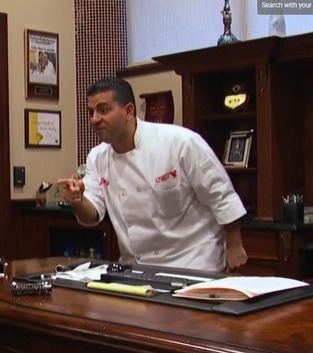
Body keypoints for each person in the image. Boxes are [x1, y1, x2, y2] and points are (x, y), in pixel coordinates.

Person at [57, 77, 248, 272]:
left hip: (193, 263)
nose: (95, 119)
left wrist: (235, 246)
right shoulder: (97, 157)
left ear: (129, 111)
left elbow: (221, 195)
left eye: (103, 110)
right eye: (91, 112)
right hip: (136, 268)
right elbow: (92, 215)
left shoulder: (180, 142)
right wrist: (77, 200)